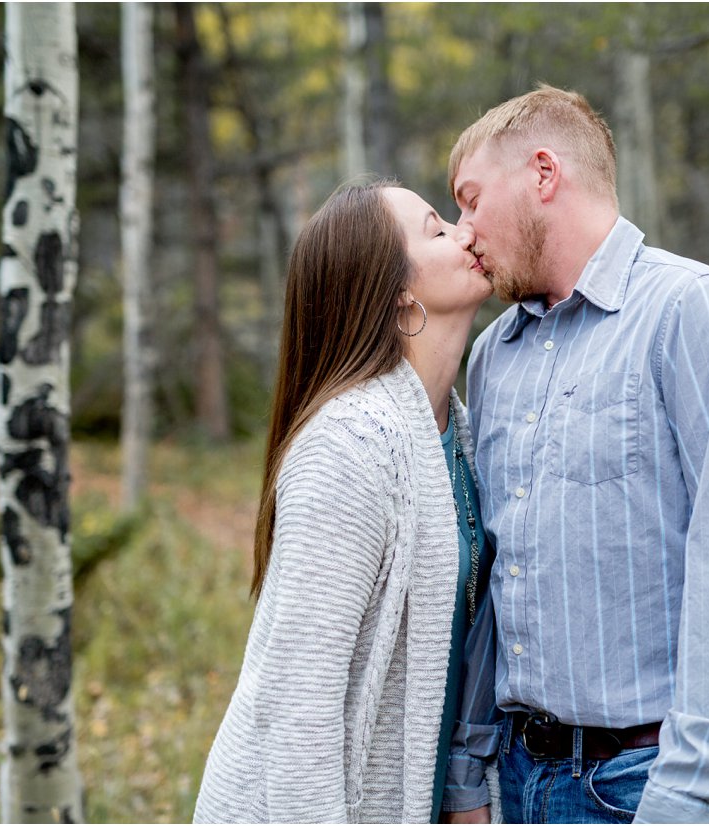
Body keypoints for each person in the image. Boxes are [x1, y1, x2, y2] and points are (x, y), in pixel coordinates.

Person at [438, 86, 709, 824]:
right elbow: (491, 586)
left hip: (654, 786)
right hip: (522, 783)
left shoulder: (693, 312)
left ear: (543, 174)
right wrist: (467, 777)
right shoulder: (491, 358)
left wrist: (685, 799)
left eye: (470, 199)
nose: (462, 230)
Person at [192, 180, 497, 823]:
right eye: (436, 230)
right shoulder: (351, 447)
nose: (466, 231)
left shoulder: (457, 435)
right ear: (396, 296)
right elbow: (297, 705)